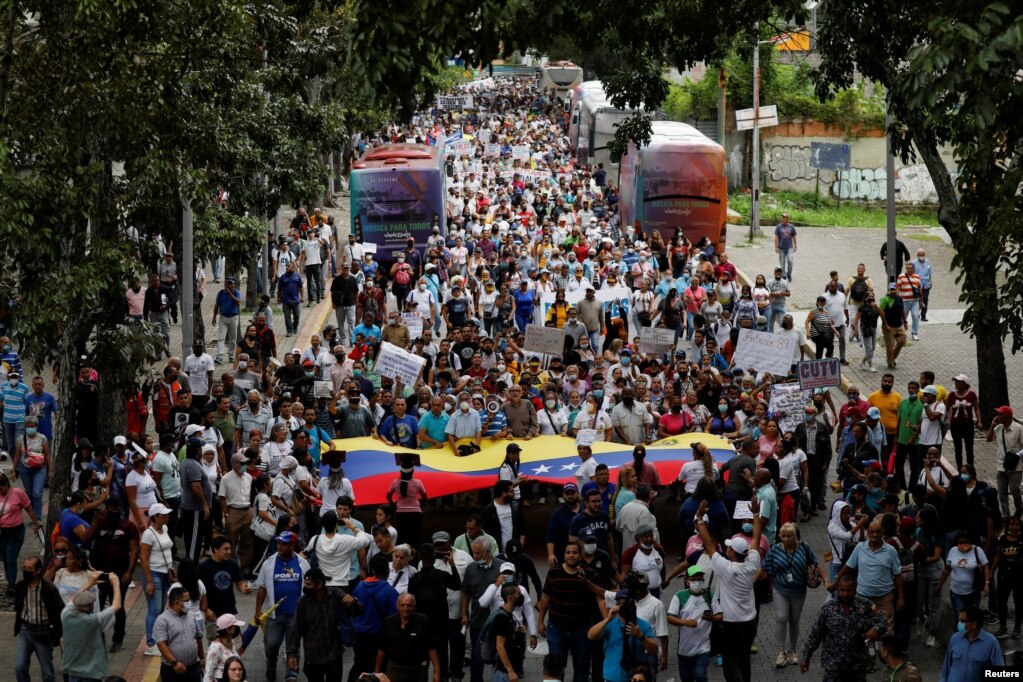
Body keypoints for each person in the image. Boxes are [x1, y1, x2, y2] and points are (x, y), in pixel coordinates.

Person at [693, 495, 762, 682]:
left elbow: (708, 544)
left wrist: (699, 518)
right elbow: (756, 538)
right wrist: (755, 512)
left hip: (732, 624)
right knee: (744, 659)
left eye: (729, 547)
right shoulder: (751, 563)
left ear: (732, 552)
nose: (727, 549)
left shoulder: (725, 568)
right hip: (749, 623)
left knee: (731, 663)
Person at [799, 573, 887, 681]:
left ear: (855, 589)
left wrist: (875, 630)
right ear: (837, 589)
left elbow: (882, 621)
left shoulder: (866, 605)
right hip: (833, 667)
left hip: (857, 667)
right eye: (842, 590)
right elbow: (815, 635)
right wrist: (806, 657)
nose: (845, 594)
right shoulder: (826, 609)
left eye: (849, 590)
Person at [760, 522, 824, 668]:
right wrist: (750, 582)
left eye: (788, 536)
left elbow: (816, 562)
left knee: (794, 620)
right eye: (782, 536)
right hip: (780, 589)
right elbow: (764, 567)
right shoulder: (776, 549)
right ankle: (780, 651)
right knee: (781, 619)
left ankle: (792, 650)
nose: (785, 539)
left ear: (795, 537)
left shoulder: (804, 547)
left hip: (798, 591)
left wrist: (826, 579)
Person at [537, 540, 600, 682]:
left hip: (582, 630)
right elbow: (545, 596)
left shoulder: (590, 574)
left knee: (582, 670)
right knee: (555, 669)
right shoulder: (554, 573)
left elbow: (600, 597)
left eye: (575, 552)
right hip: (557, 629)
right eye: (568, 552)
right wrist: (540, 621)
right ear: (564, 555)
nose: (571, 555)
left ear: (580, 555)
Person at [255, 531, 310, 682]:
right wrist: (257, 611)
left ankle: (291, 676)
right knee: (271, 644)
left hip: (295, 615)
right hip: (274, 615)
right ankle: (271, 666)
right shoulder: (268, 563)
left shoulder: (303, 564)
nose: (280, 546)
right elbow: (262, 588)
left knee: (293, 647)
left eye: (284, 544)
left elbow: (309, 588)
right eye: (279, 543)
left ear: (292, 545)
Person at [286, 567, 349, 682]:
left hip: (334, 655)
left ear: (319, 585)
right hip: (313, 657)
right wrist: (291, 654)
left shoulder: (335, 595)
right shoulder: (303, 602)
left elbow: (356, 609)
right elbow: (296, 630)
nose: (305, 588)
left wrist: (352, 601)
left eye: (309, 585)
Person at [61, 571, 122, 682]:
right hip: (91, 674)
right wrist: (116, 584)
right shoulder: (93, 620)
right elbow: (116, 606)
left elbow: (74, 598)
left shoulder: (66, 615)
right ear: (90, 607)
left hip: (72, 671)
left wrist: (89, 583)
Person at [586, 589, 658, 682]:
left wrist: (641, 636)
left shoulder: (643, 625)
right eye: (618, 602)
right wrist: (607, 619)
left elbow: (654, 650)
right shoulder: (611, 623)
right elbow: (591, 635)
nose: (621, 605)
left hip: (635, 678)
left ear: (632, 604)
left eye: (624, 602)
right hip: (612, 678)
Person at [349, 554, 399, 682]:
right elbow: (394, 619)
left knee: (360, 666)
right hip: (379, 637)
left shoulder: (360, 586)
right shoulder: (390, 591)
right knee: (378, 670)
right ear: (387, 571)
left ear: (373, 570)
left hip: (360, 635)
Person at [666, 565, 720, 682]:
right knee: (686, 678)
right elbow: (670, 617)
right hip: (684, 649)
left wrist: (711, 618)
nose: (698, 582)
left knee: (700, 675)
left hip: (703, 647)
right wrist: (684, 622)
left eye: (700, 579)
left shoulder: (710, 596)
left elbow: (720, 616)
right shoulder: (679, 596)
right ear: (687, 581)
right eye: (694, 579)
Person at [14, 554, 63, 682]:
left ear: (38, 571)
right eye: (24, 567)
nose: (26, 571)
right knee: (19, 667)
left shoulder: (49, 588)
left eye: (29, 569)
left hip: (43, 632)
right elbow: (18, 606)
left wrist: (59, 634)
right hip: (25, 630)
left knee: (47, 672)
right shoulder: (20, 586)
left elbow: (59, 611)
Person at [376, 593, 441, 682]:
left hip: (418, 670)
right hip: (395, 670)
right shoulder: (389, 622)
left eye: (409, 605)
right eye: (402, 605)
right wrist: (377, 672)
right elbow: (381, 650)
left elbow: (431, 648)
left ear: (414, 607)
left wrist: (437, 671)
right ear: (397, 606)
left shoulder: (423, 621)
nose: (406, 608)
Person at [141, 502, 176, 656]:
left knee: (161, 609)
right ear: (156, 517)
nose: (168, 517)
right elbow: (144, 558)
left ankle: (158, 639)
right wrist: (149, 581)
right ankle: (150, 643)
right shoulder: (148, 534)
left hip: (165, 573)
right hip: (154, 574)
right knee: (154, 610)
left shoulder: (165, 529)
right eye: (164, 515)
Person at [0, 472, 41, 596]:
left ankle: (11, 586)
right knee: (6, 559)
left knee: (11, 558)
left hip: (16, 531)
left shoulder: (18, 493)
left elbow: (29, 508)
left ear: (6, 484)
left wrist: (36, 524)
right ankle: (10, 581)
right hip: (2, 532)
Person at [939, 606, 1005, 681]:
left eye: (962, 621)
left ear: (973, 624)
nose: (959, 624)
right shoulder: (955, 638)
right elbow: (946, 668)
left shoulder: (991, 642)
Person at [155, 586, 204, 681]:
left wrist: (202, 659)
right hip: (173, 670)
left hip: (193, 668)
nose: (189, 603)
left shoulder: (190, 616)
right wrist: (175, 663)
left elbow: (198, 638)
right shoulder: (163, 620)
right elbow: (161, 644)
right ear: (177, 603)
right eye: (187, 600)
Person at [988, 405, 1023, 520]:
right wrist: (992, 426)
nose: (998, 416)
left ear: (1007, 416)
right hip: (1001, 465)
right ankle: (1006, 516)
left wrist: (1017, 455)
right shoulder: (998, 428)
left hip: (1015, 466)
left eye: (1000, 414)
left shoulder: (1018, 428)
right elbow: (988, 439)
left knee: (1014, 490)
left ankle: (1019, 509)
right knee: (1002, 494)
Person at [204, 613, 245, 682]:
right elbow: (208, 672)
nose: (236, 628)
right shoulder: (216, 647)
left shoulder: (231, 641)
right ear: (227, 630)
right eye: (234, 626)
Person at [774, 214, 797, 281]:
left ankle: (789, 274)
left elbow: (794, 236)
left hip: (789, 247)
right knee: (782, 263)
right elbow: (776, 237)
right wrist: (776, 246)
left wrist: (795, 245)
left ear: (788, 219)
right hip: (781, 248)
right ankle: (783, 275)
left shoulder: (791, 227)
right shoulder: (779, 227)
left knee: (790, 260)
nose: (783, 219)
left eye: (785, 217)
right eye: (783, 217)